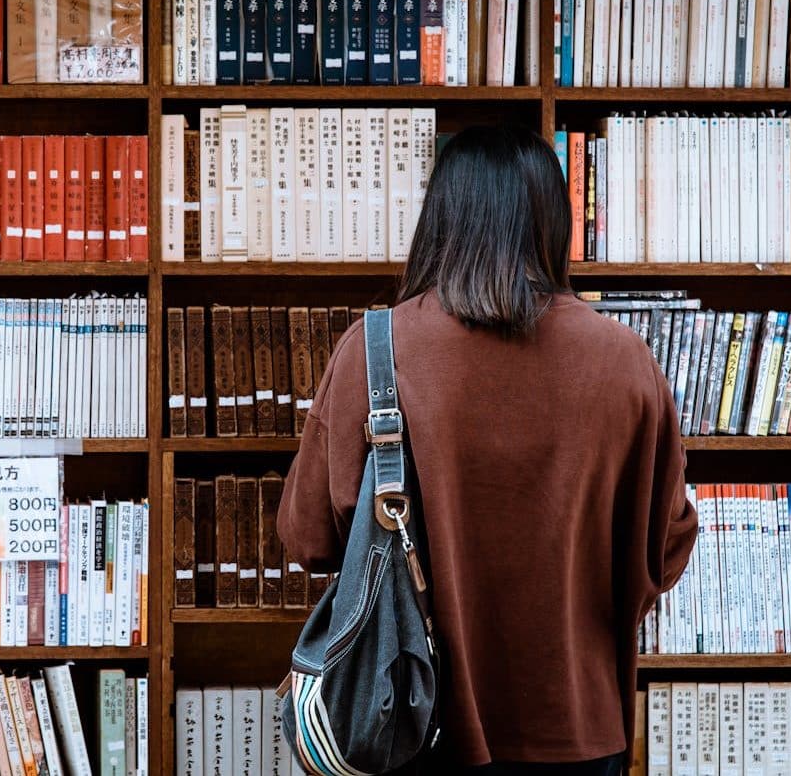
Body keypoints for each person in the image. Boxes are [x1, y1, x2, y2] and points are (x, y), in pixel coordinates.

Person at [276, 124, 698, 775]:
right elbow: (664, 551)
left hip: (409, 719)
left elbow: (309, 537)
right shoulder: (625, 361)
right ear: (553, 222)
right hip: (578, 726)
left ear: (439, 217)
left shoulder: (374, 348)